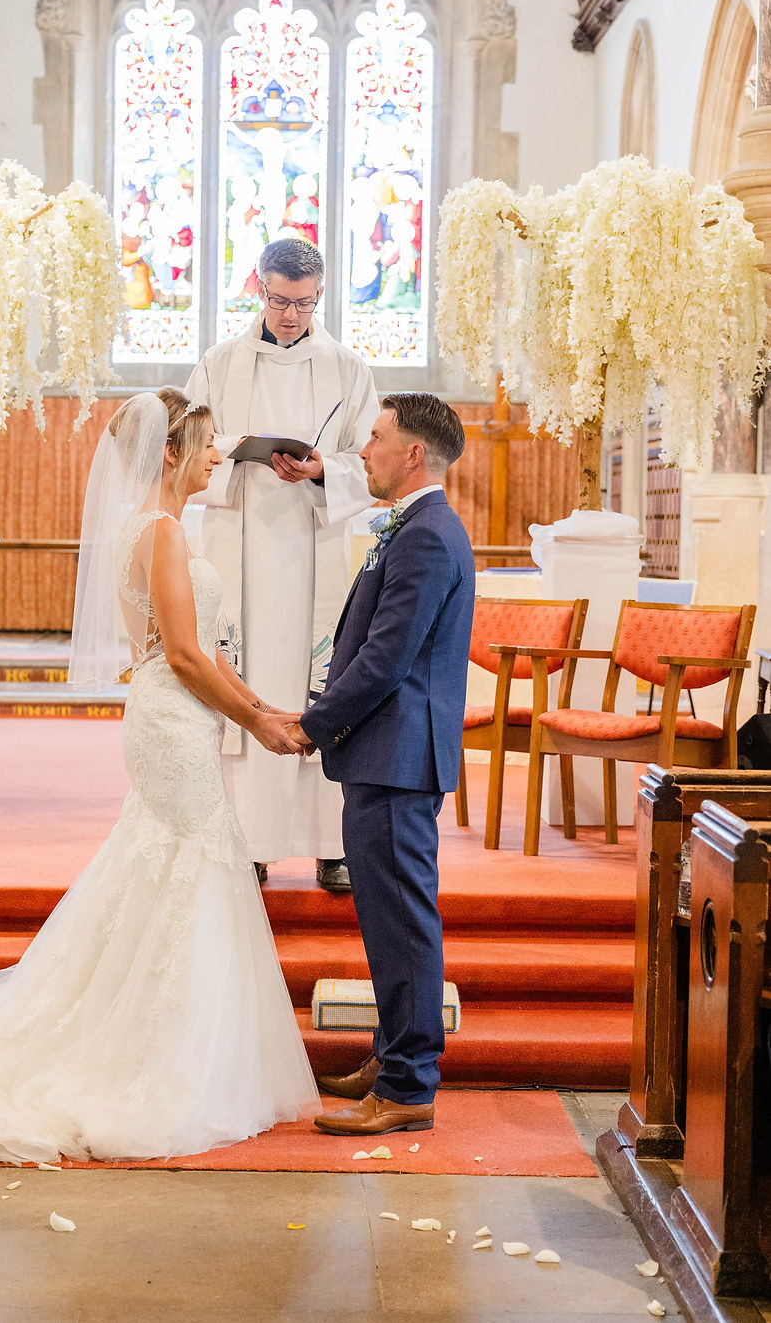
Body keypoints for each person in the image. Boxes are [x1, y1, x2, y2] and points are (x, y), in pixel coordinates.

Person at [0, 389, 319, 1163]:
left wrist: (257, 704)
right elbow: (185, 654)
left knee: (166, 865)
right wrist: (260, 719)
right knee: (189, 862)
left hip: (176, 716)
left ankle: (166, 1033)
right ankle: (157, 1055)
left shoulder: (155, 526)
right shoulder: (162, 531)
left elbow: (196, 652)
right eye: (204, 444)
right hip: (172, 720)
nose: (214, 456)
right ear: (169, 451)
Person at [287, 394, 474, 1137]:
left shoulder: (426, 534)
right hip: (384, 751)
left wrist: (311, 723)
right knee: (388, 920)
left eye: (376, 438)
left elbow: (386, 660)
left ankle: (407, 1085)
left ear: (414, 455)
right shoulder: (415, 524)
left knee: (403, 923)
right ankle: (391, 1055)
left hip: (397, 755)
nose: (363, 451)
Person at [186, 238, 379, 892]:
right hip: (239, 541)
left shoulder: (347, 368)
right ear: (257, 287)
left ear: (320, 293)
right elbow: (187, 444)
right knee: (248, 687)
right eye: (278, 299)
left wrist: (326, 469)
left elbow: (374, 457)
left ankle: (329, 845)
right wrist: (236, 450)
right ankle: (249, 842)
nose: (290, 314)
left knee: (319, 689)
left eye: (302, 301)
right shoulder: (220, 364)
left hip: (314, 550)